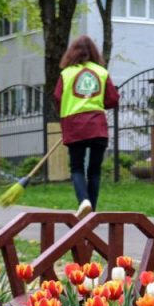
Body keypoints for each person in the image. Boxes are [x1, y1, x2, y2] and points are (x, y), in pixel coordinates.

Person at [53, 36, 119, 218]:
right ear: (93, 52)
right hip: (97, 125)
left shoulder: (66, 74)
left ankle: (84, 201)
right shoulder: (101, 72)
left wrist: (67, 114)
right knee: (94, 170)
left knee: (77, 167)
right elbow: (112, 99)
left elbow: (58, 98)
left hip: (74, 125)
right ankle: (92, 211)